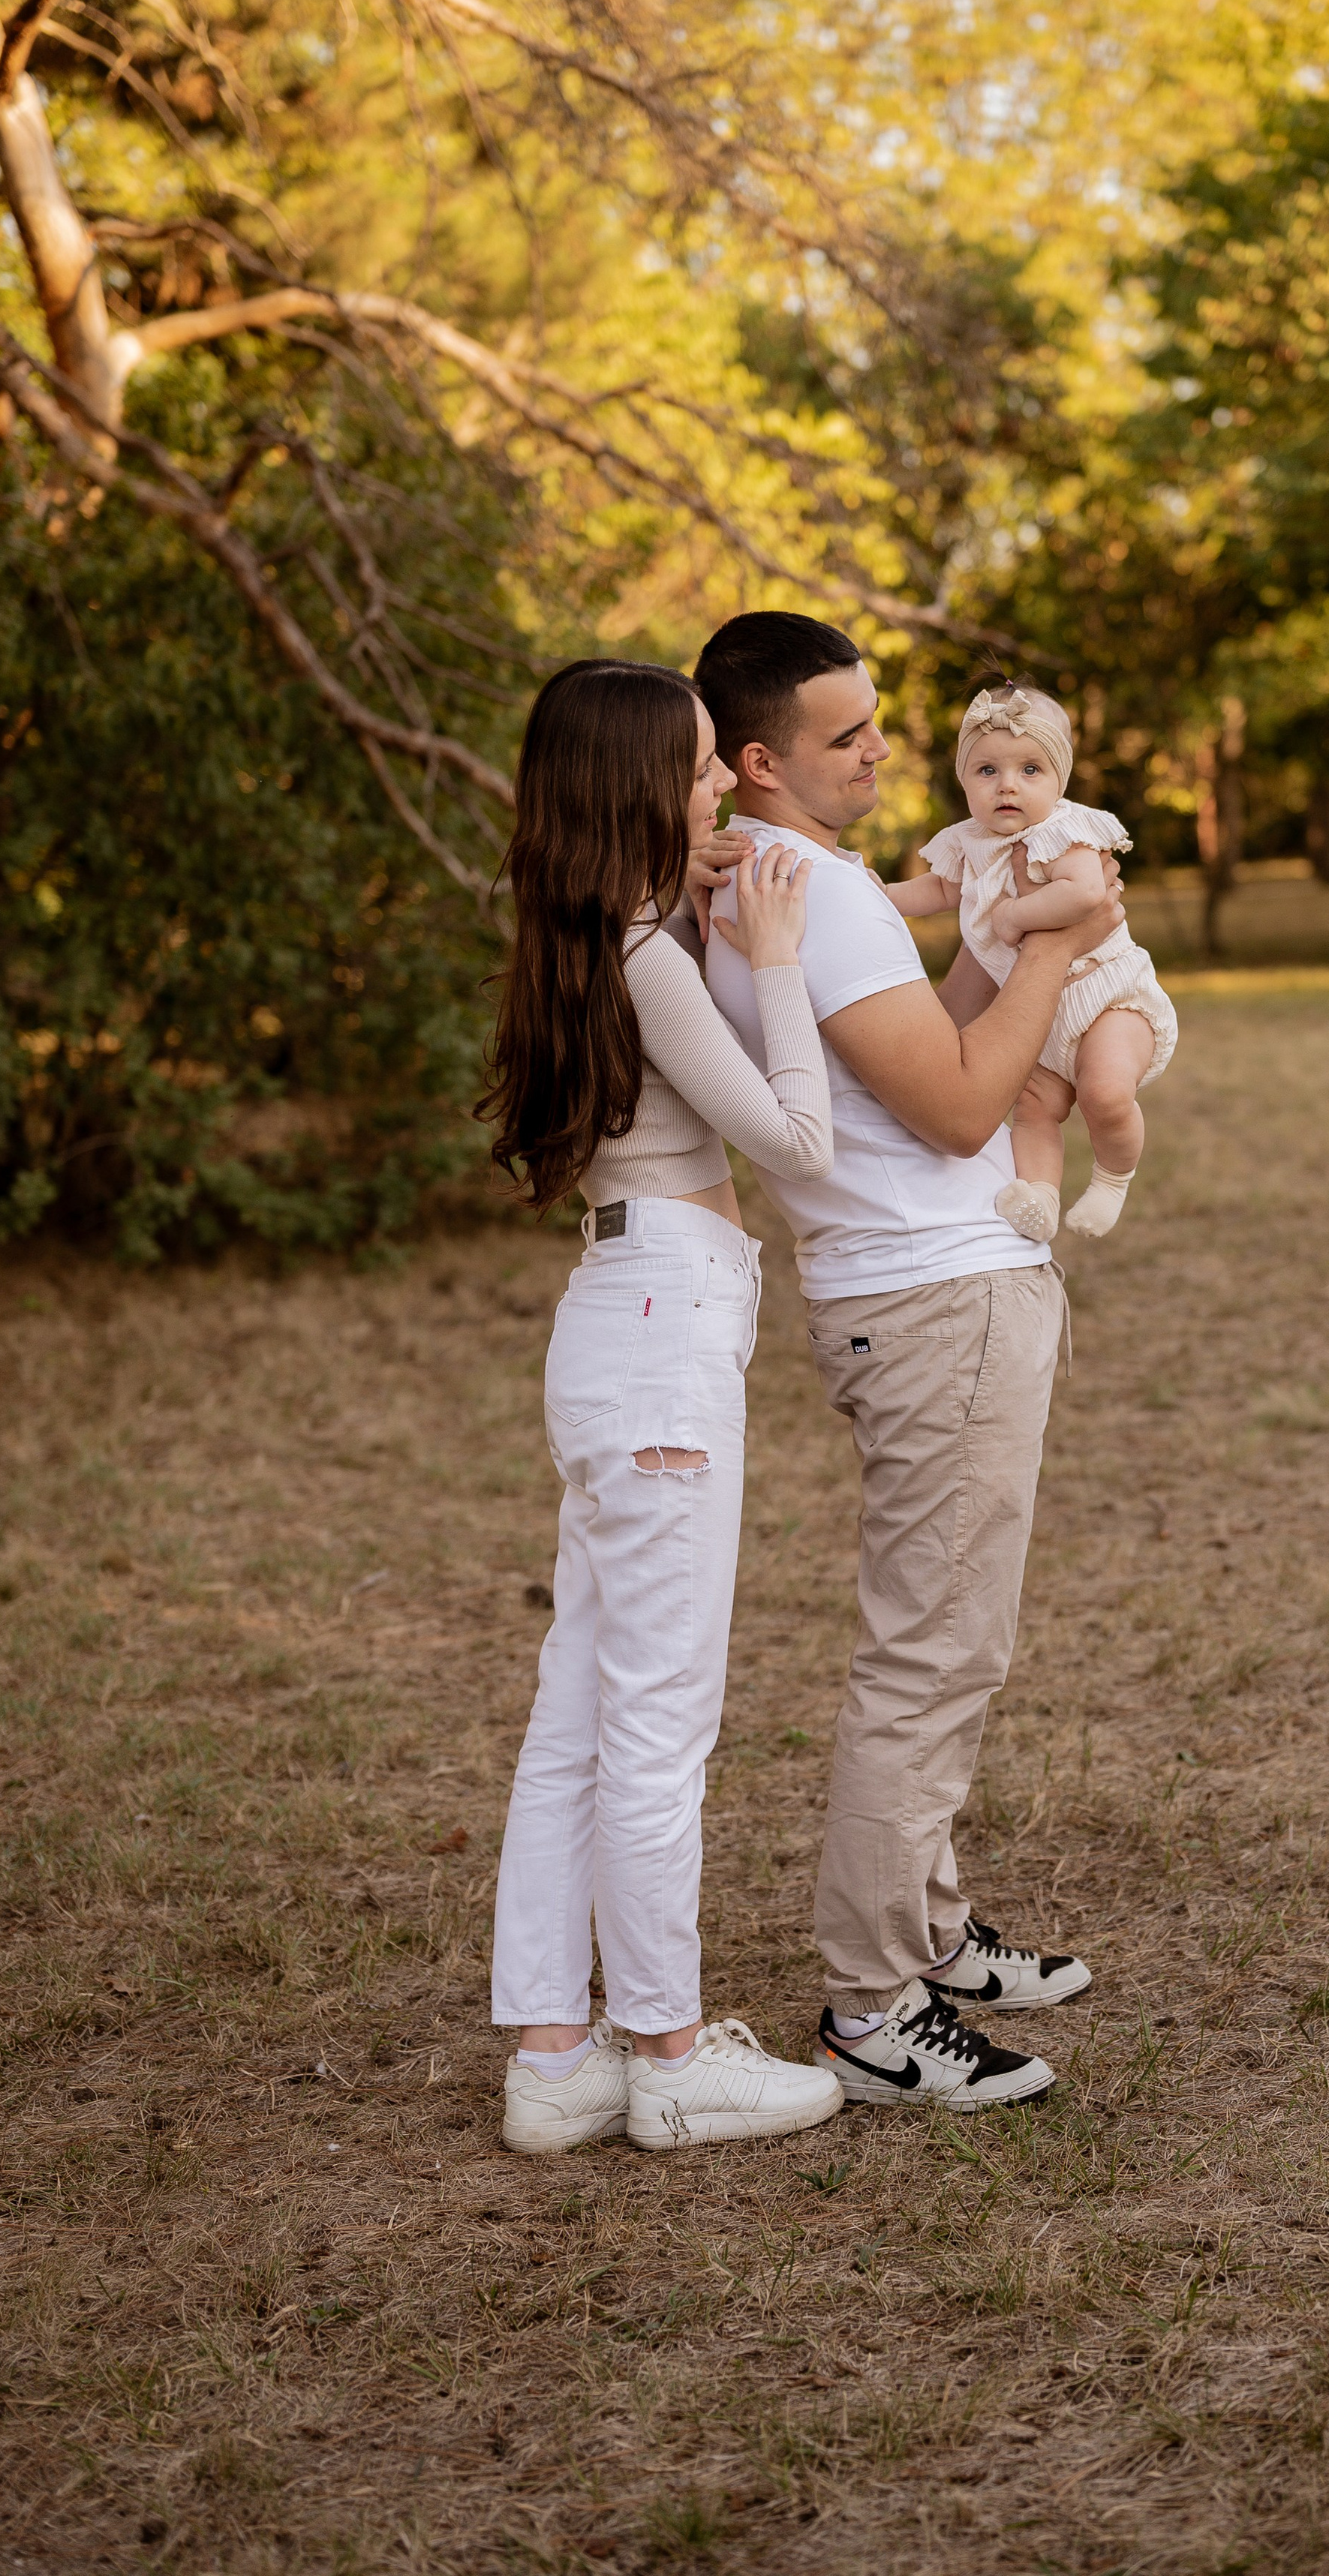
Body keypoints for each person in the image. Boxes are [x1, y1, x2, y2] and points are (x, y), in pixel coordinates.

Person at [693, 612, 1122, 2112]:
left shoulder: (772, 883)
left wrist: (997, 963)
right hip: (933, 1296)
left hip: (921, 1284)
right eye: (847, 734)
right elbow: (953, 1112)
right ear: (760, 758)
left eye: (882, 722)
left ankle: (929, 1935)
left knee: (941, 1635)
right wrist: (1058, 947)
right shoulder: (812, 883)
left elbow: (912, 1052)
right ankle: (874, 2006)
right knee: (933, 1651)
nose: (884, 748)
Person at [478, 657, 844, 2155]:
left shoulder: (589, 937)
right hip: (662, 1337)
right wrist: (766, 959)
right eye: (697, 768)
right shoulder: (650, 955)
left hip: (617, 1324)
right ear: (636, 785)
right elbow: (800, 1143)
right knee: (656, 1722)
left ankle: (555, 2056)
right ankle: (671, 2052)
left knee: (581, 1708)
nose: (717, 788)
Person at [886, 678, 1177, 1242]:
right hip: (1038, 1012)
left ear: (1059, 779)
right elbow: (938, 891)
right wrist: (880, 896)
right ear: (965, 780)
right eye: (987, 771)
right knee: (1033, 1107)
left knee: (1104, 1092)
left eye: (1030, 770)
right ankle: (1040, 1197)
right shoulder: (968, 841)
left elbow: (1088, 895)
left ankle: (1113, 1178)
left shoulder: (1064, 832)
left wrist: (1016, 918)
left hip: (1107, 999)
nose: (1007, 787)